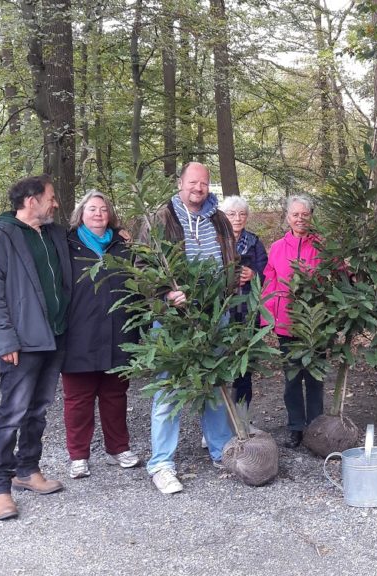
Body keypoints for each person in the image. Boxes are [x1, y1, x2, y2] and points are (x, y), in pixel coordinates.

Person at [0, 175, 71, 520]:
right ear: (32, 201)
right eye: (51, 197)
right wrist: (4, 339)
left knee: (38, 410)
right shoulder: (2, 235)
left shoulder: (54, 234)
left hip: (54, 337)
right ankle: (0, 488)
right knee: (12, 413)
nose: (55, 203)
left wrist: (118, 233)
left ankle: (28, 470)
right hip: (21, 343)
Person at [142, 162, 238, 495]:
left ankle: (221, 451)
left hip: (215, 314)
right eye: (193, 182)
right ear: (180, 182)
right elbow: (143, 266)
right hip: (174, 317)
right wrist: (166, 295)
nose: (198, 188)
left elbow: (230, 258)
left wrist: (233, 282)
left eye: (204, 183)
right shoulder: (160, 218)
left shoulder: (219, 218)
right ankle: (161, 464)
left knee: (214, 382)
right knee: (168, 388)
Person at [61, 191, 140, 480]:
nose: (98, 214)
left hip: (118, 331)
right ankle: (78, 455)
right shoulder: (66, 245)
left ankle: (118, 448)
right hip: (78, 334)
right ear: (81, 214)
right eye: (92, 209)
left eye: (103, 209)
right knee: (77, 399)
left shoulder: (122, 246)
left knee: (115, 395)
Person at [261, 195, 322, 448]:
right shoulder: (277, 247)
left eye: (304, 214)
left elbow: (338, 273)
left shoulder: (322, 246)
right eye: (295, 214)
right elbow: (269, 283)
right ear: (287, 217)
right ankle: (296, 426)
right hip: (286, 322)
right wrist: (267, 319)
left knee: (315, 377)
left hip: (316, 321)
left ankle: (316, 426)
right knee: (293, 377)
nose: (300, 219)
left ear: (311, 216)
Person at [219, 195, 269, 405]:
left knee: (244, 368)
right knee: (219, 365)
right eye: (231, 214)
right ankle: (221, 418)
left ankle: (242, 416)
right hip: (221, 312)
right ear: (223, 216)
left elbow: (267, 271)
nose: (237, 218)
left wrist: (254, 274)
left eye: (242, 214)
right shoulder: (216, 241)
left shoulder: (255, 243)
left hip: (248, 312)